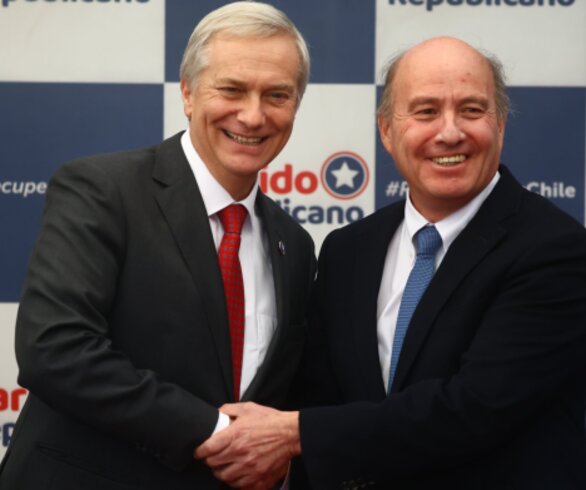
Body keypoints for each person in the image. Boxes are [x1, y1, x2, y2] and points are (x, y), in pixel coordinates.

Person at [195, 36, 586, 489]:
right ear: (386, 130)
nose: (449, 132)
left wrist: (295, 434)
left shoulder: (555, 249)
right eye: (426, 111)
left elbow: (476, 407)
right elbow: (319, 395)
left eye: (471, 110)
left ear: (499, 124)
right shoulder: (348, 250)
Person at [0, 2, 315, 489]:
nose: (253, 115)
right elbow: (55, 350)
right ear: (188, 92)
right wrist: (216, 432)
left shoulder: (294, 243)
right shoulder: (102, 190)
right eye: (232, 89)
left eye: (277, 95)